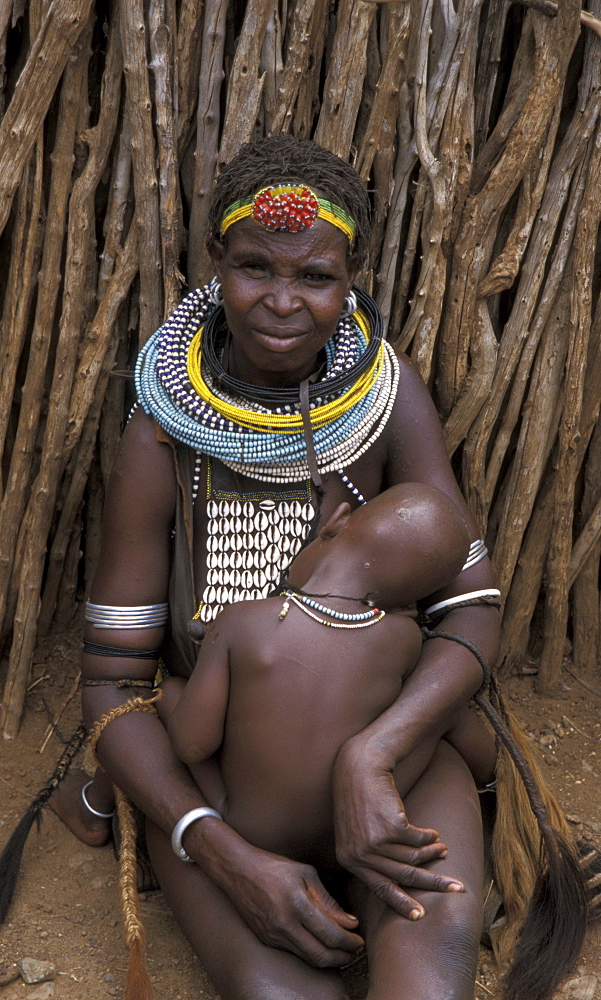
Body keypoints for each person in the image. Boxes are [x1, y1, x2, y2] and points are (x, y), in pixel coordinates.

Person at [51, 134, 505, 1000]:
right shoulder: (160, 438)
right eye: (256, 268)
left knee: (428, 984)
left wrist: (373, 755)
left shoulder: (386, 399)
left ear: (352, 280)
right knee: (282, 995)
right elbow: (113, 688)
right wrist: (219, 851)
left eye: (318, 277)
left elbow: (472, 607)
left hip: (398, 752)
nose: (284, 302)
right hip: (217, 784)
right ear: (214, 264)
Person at [161, 483, 498, 883]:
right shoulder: (404, 640)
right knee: (443, 716)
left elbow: (193, 744)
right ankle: (493, 784)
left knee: (172, 691)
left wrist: (170, 698)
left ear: (336, 521)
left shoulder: (239, 621)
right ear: (408, 602)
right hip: (345, 838)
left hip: (251, 832)